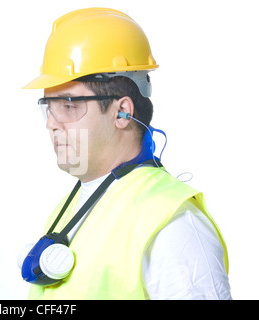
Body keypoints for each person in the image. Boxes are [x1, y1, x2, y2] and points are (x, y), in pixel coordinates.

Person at [18, 8, 232, 300]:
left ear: (122, 112)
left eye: (68, 105)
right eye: (49, 106)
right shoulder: (66, 211)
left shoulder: (172, 223)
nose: (51, 123)